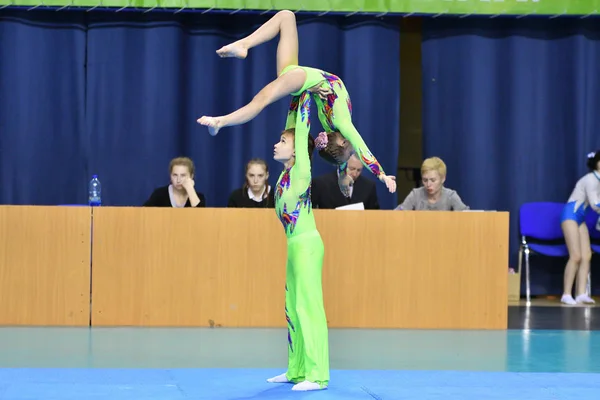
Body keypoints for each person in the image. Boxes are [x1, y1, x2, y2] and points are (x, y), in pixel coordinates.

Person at [196, 10, 396, 197]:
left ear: (342, 141)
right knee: (286, 16)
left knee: (260, 100)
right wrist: (362, 175)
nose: (353, 149)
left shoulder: (340, 126)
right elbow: (351, 152)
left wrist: (378, 175)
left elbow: (357, 150)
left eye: (348, 149)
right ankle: (244, 46)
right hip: (299, 78)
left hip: (302, 78)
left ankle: (221, 121)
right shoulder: (336, 129)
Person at [265, 126, 329, 391]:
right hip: (293, 247)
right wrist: (292, 99)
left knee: (308, 308)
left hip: (307, 246)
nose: (276, 144)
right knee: (292, 308)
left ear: (297, 149)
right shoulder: (285, 175)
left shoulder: (302, 172)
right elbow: (294, 123)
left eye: (283, 141)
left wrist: (303, 89)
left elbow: (300, 127)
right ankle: (297, 369)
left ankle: (317, 375)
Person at [560, 151, 600, 305]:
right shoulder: (590, 179)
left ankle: (581, 293)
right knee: (575, 256)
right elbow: (595, 204)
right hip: (570, 215)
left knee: (586, 256)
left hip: (580, 217)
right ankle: (566, 294)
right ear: (596, 163)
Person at [395, 157, 468, 211]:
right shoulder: (415, 195)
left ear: (443, 179)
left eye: (433, 180)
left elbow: (466, 215)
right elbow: (398, 214)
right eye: (425, 180)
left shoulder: (450, 196)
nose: (428, 184)